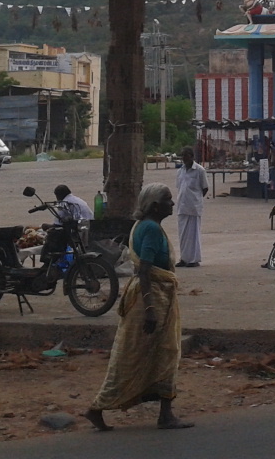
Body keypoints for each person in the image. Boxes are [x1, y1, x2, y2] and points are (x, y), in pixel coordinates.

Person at [85, 183, 192, 432]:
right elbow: (145, 270)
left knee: (134, 356)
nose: (172, 204)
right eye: (168, 200)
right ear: (156, 206)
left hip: (150, 297)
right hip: (152, 298)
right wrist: (150, 309)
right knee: (165, 353)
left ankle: (102, 408)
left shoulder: (141, 226)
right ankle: (161, 415)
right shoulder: (152, 230)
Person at [174, 148, 209, 268]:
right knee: (183, 235)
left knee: (193, 235)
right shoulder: (180, 171)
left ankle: (194, 259)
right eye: (182, 156)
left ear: (192, 156)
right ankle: (184, 258)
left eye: (186, 156)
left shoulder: (199, 170)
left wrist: (196, 198)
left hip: (194, 207)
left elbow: (205, 188)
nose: (184, 158)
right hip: (182, 206)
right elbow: (179, 187)